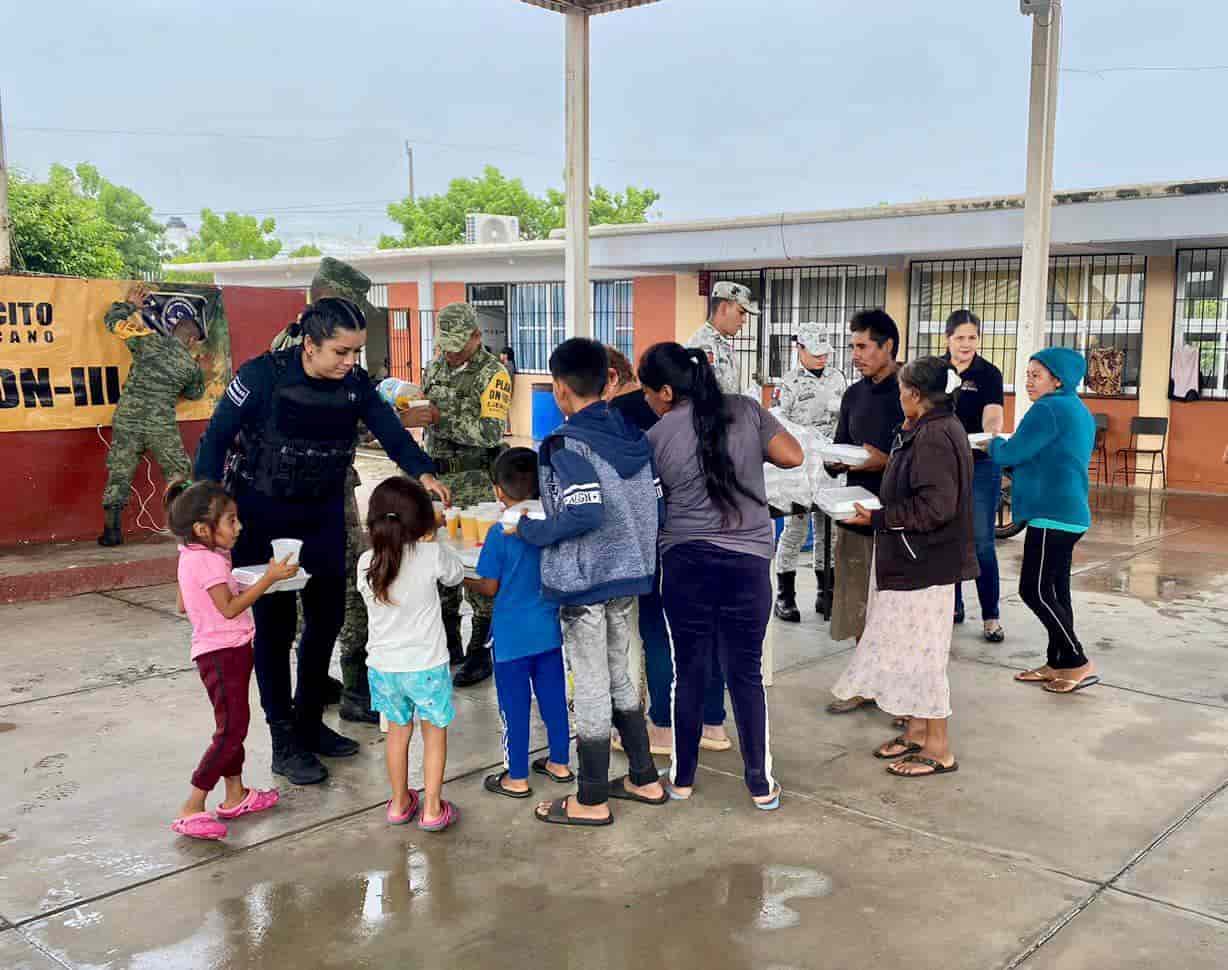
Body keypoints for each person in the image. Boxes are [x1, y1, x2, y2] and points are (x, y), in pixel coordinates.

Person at [194, 296, 449, 787]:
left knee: (327, 619)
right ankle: (283, 739)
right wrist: (206, 509)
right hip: (262, 514)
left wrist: (422, 471)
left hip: (322, 512)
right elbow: (216, 438)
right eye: (341, 351)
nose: (351, 362)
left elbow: (390, 430)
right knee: (274, 628)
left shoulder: (354, 385)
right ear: (310, 345)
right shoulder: (261, 377)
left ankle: (310, 721)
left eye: (356, 352)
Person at [640, 342, 803, 809]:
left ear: (665, 391)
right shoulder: (747, 411)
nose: (648, 401)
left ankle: (682, 780)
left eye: (648, 393)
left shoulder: (656, 436)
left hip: (685, 563)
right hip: (747, 564)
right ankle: (759, 785)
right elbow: (793, 456)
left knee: (689, 673)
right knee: (745, 674)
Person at [518, 338, 667, 827]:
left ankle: (592, 797)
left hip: (585, 582)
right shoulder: (634, 436)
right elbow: (656, 504)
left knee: (590, 686)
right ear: (609, 382)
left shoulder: (566, 443)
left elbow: (584, 510)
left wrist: (532, 530)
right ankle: (644, 777)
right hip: (629, 575)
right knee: (619, 674)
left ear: (560, 389)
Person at [268, 258, 418, 725]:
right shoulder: (313, 351)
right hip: (320, 488)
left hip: (301, 487)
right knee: (351, 583)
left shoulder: (293, 341)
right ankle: (354, 687)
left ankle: (314, 683)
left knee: (307, 589)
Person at [831, 357, 976, 778]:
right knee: (908, 650)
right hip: (913, 559)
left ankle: (939, 747)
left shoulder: (935, 435)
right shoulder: (925, 427)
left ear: (914, 394)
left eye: (900, 390)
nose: (898, 398)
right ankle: (916, 730)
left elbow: (936, 506)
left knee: (925, 654)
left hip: (925, 563)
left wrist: (879, 517)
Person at [604, 345, 727, 755]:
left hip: (668, 542)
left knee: (658, 632)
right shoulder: (722, 414)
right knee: (708, 630)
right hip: (722, 540)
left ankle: (663, 726)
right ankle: (712, 723)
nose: (645, 400)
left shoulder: (634, 421)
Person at [167, 481, 293, 840]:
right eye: (231, 521)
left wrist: (235, 583)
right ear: (202, 529)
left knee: (232, 724)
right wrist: (268, 579)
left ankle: (235, 794)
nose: (239, 527)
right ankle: (192, 805)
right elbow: (228, 609)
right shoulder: (209, 560)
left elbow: (183, 603)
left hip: (221, 651)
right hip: (222, 654)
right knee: (232, 730)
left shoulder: (192, 554)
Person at [987, 347, 1099, 694]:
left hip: (1052, 513)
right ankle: (1057, 662)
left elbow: (1011, 452)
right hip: (1069, 511)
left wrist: (991, 442)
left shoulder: (1048, 409)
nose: (1029, 382)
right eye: (1027, 375)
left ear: (1058, 379)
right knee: (1056, 591)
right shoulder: (1077, 409)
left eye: (1037, 375)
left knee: (1033, 589)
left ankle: (1077, 661)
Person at [357, 476, 462, 831]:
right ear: (421, 520)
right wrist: (436, 538)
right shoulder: (430, 554)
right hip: (427, 666)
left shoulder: (365, 562)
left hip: (384, 668)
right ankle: (432, 809)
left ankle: (400, 803)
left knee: (397, 734)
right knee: (434, 733)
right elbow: (455, 575)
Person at [420, 303, 514, 687]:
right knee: (437, 562)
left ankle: (480, 651)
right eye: (446, 345)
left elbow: (490, 433)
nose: (451, 352)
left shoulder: (494, 374)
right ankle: (449, 644)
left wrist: (439, 418)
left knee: (477, 567)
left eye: (458, 345)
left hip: (473, 485)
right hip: (435, 483)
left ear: (477, 336)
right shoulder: (434, 367)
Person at [469, 448, 572, 798]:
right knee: (554, 701)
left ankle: (516, 777)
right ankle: (560, 762)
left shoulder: (500, 531)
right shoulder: (553, 525)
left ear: (498, 491)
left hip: (511, 639)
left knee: (513, 708)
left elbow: (489, 586)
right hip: (548, 633)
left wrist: (462, 578)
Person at [824, 310, 907, 716]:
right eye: (853, 346)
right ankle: (867, 683)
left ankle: (904, 697)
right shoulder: (854, 395)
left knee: (897, 608)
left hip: (900, 517)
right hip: (856, 511)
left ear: (887, 345)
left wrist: (884, 462)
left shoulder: (911, 393)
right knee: (859, 600)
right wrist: (834, 460)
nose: (855, 355)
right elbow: (842, 443)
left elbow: (926, 459)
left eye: (863, 346)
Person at [98, 284, 207, 546]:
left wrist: (131, 305)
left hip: (128, 419)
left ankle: (112, 531)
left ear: (171, 331)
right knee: (178, 473)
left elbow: (112, 321)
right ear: (192, 341)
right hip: (161, 425)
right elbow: (194, 394)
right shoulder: (190, 366)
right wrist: (198, 369)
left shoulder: (147, 340)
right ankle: (184, 529)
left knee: (119, 472)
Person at [773, 323, 848, 621]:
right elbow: (778, 424)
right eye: (816, 353)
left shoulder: (837, 377)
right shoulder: (788, 383)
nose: (822, 358)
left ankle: (825, 592)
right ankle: (785, 596)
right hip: (800, 467)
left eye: (825, 353)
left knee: (829, 530)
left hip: (830, 464)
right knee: (796, 528)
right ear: (799, 349)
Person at [944, 310, 1007, 642]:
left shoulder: (989, 374)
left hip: (980, 463)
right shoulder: (935, 370)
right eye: (960, 338)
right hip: (942, 464)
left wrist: (989, 433)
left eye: (972, 337)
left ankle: (990, 616)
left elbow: (993, 415)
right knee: (947, 536)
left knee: (981, 540)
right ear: (948, 339)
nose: (966, 344)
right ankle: (952, 606)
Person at [687, 280, 759, 396]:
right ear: (723, 308)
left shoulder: (723, 344)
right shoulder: (701, 345)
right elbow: (700, 397)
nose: (744, 320)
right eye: (741, 312)